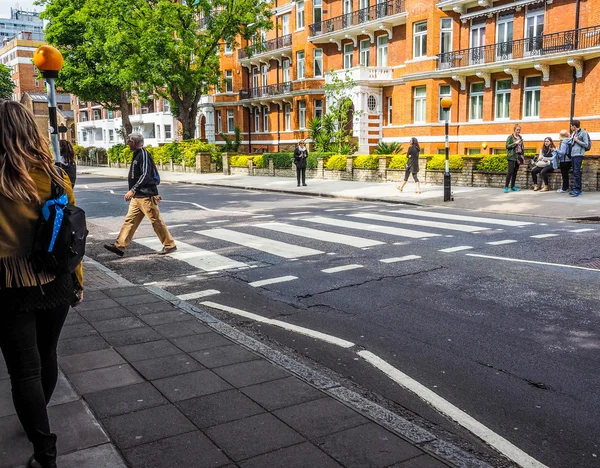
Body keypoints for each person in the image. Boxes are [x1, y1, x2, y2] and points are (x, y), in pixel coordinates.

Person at [0, 100, 84, 468]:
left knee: (23, 371)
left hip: (8, 283)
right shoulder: (54, 174)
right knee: (47, 354)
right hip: (55, 278)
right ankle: (38, 416)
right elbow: (73, 233)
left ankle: (44, 450)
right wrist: (77, 282)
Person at [104, 133, 176, 257]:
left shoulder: (143, 154)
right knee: (130, 221)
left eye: (128, 141)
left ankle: (170, 245)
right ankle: (120, 246)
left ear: (133, 142)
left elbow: (145, 175)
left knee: (156, 221)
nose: (127, 143)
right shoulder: (137, 154)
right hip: (138, 196)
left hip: (145, 195)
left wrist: (133, 189)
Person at [569, 119, 590, 197]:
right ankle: (576, 188)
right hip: (573, 155)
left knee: (577, 173)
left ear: (574, 126)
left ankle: (578, 190)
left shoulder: (583, 133)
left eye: (571, 126)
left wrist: (577, 140)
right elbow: (572, 143)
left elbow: (586, 144)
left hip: (579, 155)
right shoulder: (574, 133)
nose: (571, 127)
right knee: (575, 173)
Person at [504, 124, 524, 193]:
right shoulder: (510, 137)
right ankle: (506, 187)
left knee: (515, 172)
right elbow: (507, 146)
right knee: (510, 172)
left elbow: (522, 147)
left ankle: (512, 186)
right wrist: (515, 143)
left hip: (518, 156)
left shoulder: (520, 137)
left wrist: (522, 155)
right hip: (511, 156)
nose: (518, 131)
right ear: (514, 130)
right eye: (517, 130)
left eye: (519, 130)